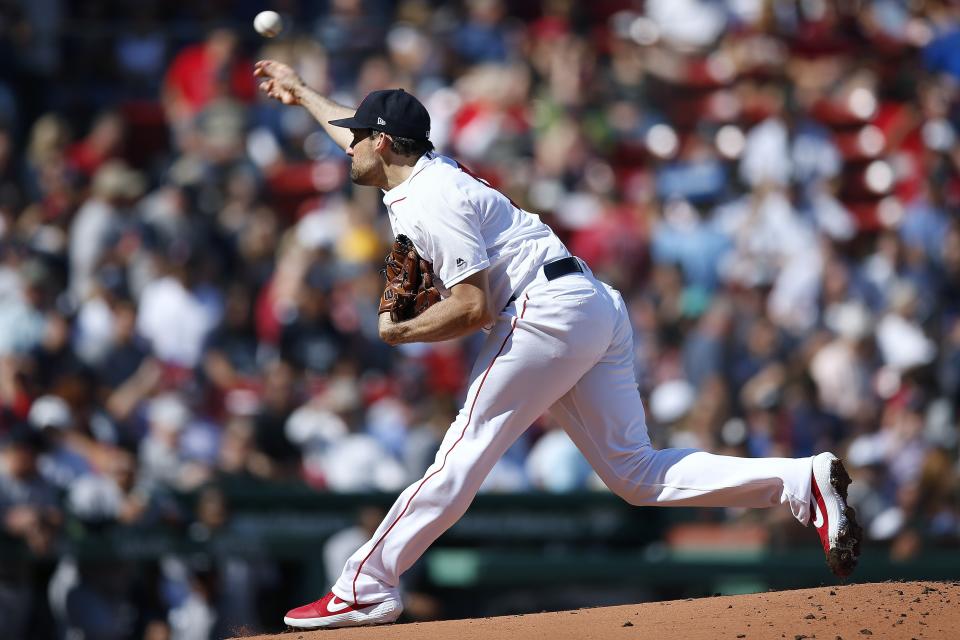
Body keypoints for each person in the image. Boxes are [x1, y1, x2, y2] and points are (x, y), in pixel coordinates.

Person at [253, 60, 863, 630]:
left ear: (382, 142)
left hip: (541, 312)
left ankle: (366, 583)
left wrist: (402, 331)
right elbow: (357, 146)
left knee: (463, 453)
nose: (349, 142)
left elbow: (475, 306)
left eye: (358, 134)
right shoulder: (423, 172)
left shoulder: (431, 200)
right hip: (589, 302)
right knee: (633, 473)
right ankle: (799, 480)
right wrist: (303, 92)